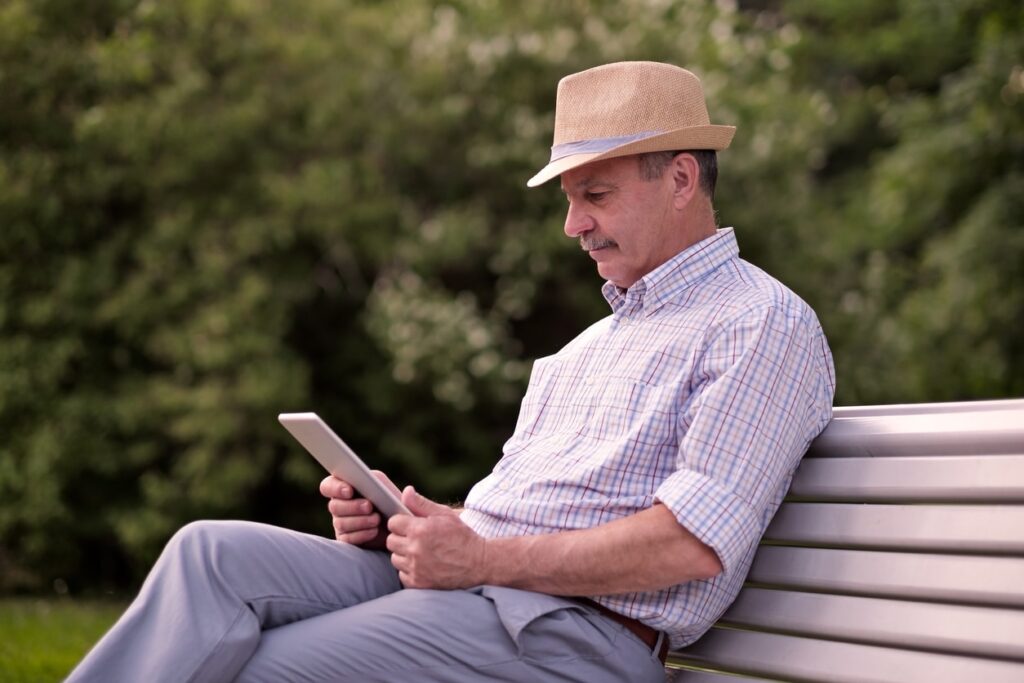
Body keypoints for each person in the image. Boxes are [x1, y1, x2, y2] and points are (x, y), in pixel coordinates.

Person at [67, 61, 835, 683]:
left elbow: (694, 544)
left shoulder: (760, 323)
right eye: (570, 201)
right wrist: (406, 525)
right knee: (211, 556)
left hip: (573, 638)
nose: (574, 225)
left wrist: (484, 558)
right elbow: (509, 524)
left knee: (263, 665)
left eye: (594, 195)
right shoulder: (586, 349)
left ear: (679, 181)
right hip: (485, 594)